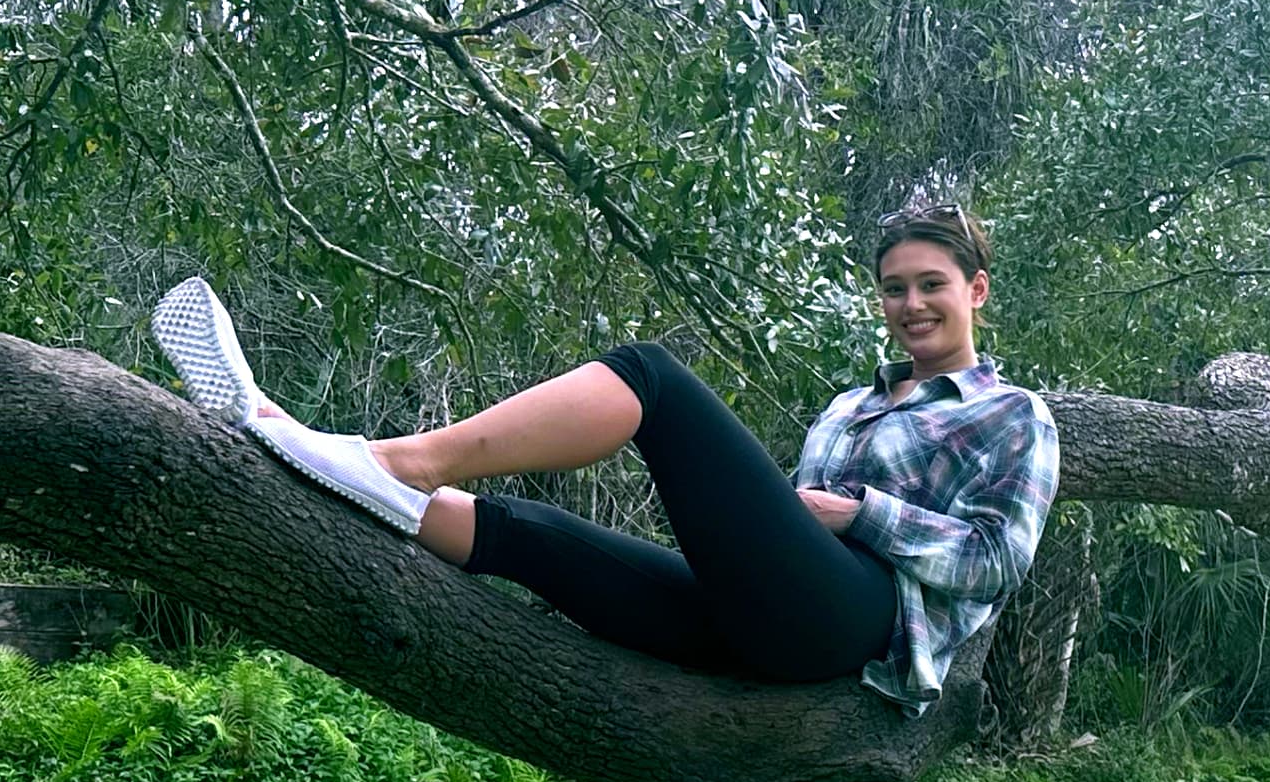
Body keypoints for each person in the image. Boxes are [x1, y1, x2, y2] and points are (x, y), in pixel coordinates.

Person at [151, 207, 1057, 713]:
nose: (910, 304)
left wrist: (861, 514)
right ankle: (316, 463)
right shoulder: (851, 405)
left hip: (857, 625)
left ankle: (402, 460)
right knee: (539, 539)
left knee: (653, 382)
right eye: (894, 288)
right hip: (765, 616)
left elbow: (997, 561)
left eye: (931, 285)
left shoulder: (1015, 417)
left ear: (975, 291)